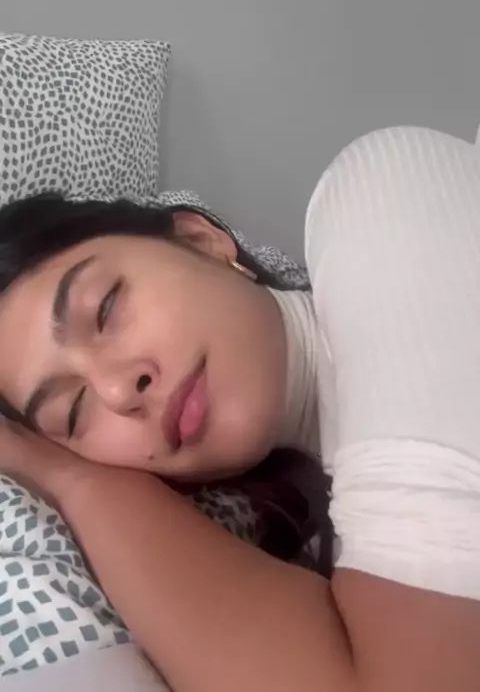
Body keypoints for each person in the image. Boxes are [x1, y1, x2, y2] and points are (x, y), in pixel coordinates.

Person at [0, 125, 479, 692]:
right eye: (73, 412)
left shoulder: (381, 193)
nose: (116, 390)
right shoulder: (314, 536)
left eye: (104, 308)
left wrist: (76, 482)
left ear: (201, 241)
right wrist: (71, 479)